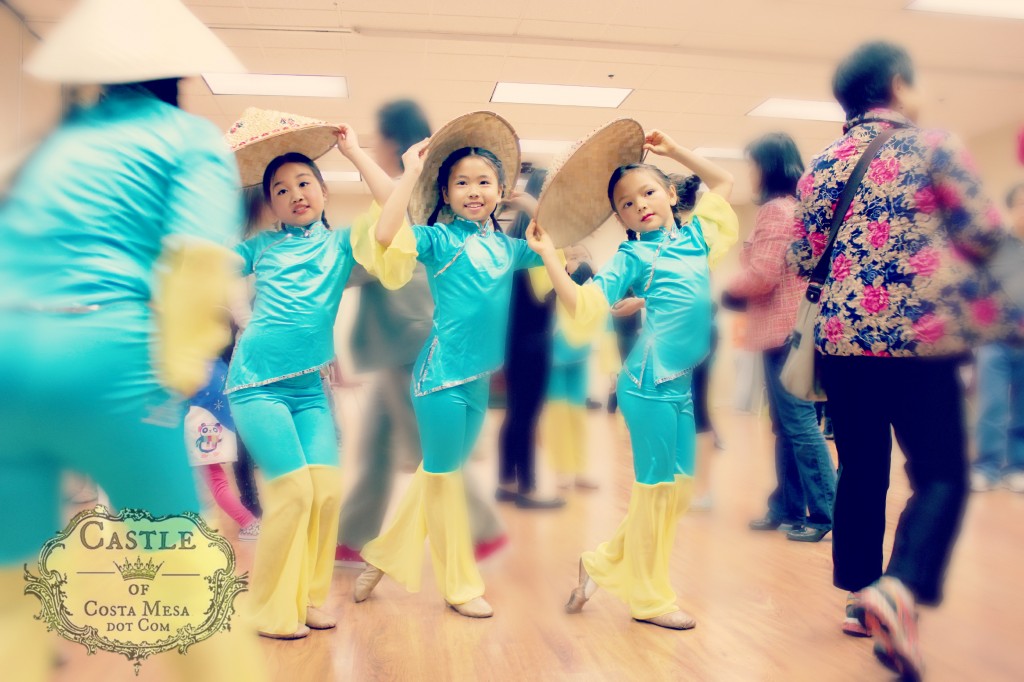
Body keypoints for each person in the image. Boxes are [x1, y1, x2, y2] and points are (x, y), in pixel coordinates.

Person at [0, 1, 268, 680]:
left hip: (6, 359)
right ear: (175, 73)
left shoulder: (57, 143)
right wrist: (177, 374)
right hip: (105, 356)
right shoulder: (189, 137)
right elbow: (199, 259)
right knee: (184, 570)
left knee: (12, 578)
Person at [788, 41, 1013, 679]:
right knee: (942, 473)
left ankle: (863, 599)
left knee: (862, 469)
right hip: (920, 338)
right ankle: (901, 585)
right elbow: (983, 231)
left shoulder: (823, 164)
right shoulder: (936, 146)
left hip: (842, 344)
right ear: (897, 84)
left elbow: (803, 258)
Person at [529, 129, 738, 630]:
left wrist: (673, 151)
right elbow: (583, 305)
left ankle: (599, 563)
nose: (639, 204)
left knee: (678, 492)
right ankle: (649, 598)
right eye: (625, 203)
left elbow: (724, 180)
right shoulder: (630, 257)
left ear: (670, 194)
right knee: (655, 491)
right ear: (619, 217)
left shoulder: (697, 237)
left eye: (648, 192)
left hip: (682, 382)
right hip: (647, 384)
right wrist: (549, 258)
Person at [353, 113, 551, 618]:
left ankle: (382, 553)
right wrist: (402, 173)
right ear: (446, 193)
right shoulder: (436, 241)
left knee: (441, 474)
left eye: (483, 182)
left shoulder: (508, 249)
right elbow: (386, 226)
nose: (473, 190)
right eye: (460, 183)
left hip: (479, 380)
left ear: (499, 190)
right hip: (439, 377)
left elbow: (555, 247)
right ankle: (460, 585)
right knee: (446, 482)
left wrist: (528, 202)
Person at [224, 109, 395, 640]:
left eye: (304, 182)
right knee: (294, 492)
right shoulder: (260, 248)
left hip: (308, 390)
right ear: (270, 204)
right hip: (255, 385)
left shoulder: (343, 244)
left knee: (324, 491)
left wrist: (355, 152)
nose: (294, 193)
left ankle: (309, 599)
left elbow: (394, 213)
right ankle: (271, 610)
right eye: (280, 189)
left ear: (322, 191)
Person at [337, 100, 508, 566]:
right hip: (395, 342)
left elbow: (377, 255)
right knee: (375, 444)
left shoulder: (415, 199)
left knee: (430, 451)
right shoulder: (414, 194)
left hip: (413, 343)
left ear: (393, 141)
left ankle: (480, 530)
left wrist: (329, 266)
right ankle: (352, 534)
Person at [727, 132, 837, 543]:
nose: (750, 173)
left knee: (798, 425)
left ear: (768, 166)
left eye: (753, 164)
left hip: (782, 332)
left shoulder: (776, 210)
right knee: (787, 426)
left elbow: (763, 274)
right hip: (791, 331)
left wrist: (728, 288)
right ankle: (787, 507)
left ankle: (826, 511)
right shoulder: (797, 208)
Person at [498, 169, 569, 507]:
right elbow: (547, 294)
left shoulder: (516, 242)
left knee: (516, 414)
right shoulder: (538, 244)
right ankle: (527, 488)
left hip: (515, 344)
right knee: (526, 415)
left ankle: (507, 482)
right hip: (533, 343)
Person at [971, 181, 1024, 493]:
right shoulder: (997, 246)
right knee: (991, 406)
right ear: (1012, 208)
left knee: (1022, 408)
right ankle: (987, 466)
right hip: (995, 340)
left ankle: (1017, 466)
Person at [542, 243, 600, 491]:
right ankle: (561, 471)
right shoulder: (551, 282)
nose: (579, 260)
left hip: (580, 353)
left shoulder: (590, 283)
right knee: (557, 417)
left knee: (577, 416)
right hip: (554, 354)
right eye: (572, 255)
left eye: (582, 255)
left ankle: (579, 470)